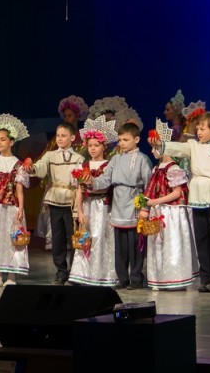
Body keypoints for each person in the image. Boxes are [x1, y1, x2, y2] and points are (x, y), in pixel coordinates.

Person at [155, 109, 210, 292]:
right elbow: (177, 148)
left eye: (202, 129)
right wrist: (161, 144)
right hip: (198, 195)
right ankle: (205, 276)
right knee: (201, 238)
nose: (199, 132)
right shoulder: (193, 146)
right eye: (197, 128)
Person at [89, 122, 152, 289]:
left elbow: (149, 185)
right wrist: (91, 182)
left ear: (136, 139)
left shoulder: (142, 159)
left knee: (136, 245)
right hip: (118, 204)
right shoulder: (116, 159)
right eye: (120, 140)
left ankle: (136, 279)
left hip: (134, 204)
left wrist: (145, 208)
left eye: (125, 140)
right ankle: (122, 278)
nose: (121, 143)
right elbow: (105, 179)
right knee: (120, 246)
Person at [143, 119, 197, 290]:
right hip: (158, 210)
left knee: (172, 244)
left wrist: (155, 202)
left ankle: (175, 278)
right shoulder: (157, 168)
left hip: (171, 212)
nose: (153, 151)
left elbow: (177, 193)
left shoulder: (173, 168)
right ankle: (160, 278)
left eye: (155, 147)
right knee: (159, 245)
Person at [30, 121, 86, 285]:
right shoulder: (50, 155)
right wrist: (32, 168)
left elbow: (80, 182)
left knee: (73, 238)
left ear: (72, 138)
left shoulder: (79, 158)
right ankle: (61, 272)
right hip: (55, 200)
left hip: (71, 201)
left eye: (64, 136)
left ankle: (75, 272)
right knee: (57, 238)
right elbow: (40, 167)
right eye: (58, 135)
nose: (60, 139)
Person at [0, 114, 31, 287]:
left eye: (3, 139)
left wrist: (20, 208)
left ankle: (11, 276)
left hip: (11, 206)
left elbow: (19, 190)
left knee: (12, 238)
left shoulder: (18, 165)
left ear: (11, 142)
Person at [68, 116, 118, 287]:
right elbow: (79, 190)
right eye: (90, 145)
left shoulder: (108, 165)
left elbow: (106, 186)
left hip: (103, 207)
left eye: (96, 145)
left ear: (104, 146)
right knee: (86, 237)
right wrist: (79, 211)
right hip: (88, 206)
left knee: (101, 238)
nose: (93, 148)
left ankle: (102, 275)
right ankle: (82, 274)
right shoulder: (84, 166)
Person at [35, 96, 88, 252]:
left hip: (72, 194)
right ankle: (58, 261)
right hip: (56, 191)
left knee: (72, 230)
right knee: (56, 229)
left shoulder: (82, 144)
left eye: (70, 115)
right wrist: (32, 168)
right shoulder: (52, 150)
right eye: (65, 116)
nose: (59, 138)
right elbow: (41, 164)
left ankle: (72, 258)